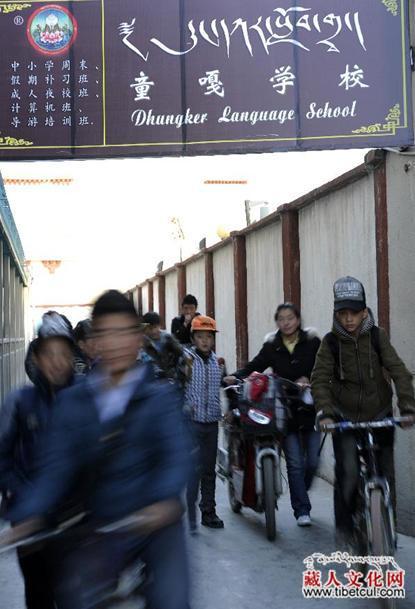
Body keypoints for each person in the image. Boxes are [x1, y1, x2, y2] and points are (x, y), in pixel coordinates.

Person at [1, 290, 191, 609]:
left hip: (155, 527)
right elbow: (55, 470)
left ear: (137, 338)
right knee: (73, 594)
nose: (115, 343)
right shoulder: (73, 403)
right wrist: (27, 515)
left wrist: (163, 500)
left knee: (170, 599)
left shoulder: (160, 397)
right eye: (105, 333)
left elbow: (176, 457)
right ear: (94, 342)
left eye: (123, 332)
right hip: (102, 528)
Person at [311, 276, 415, 546]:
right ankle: (345, 528)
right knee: (347, 472)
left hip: (380, 414)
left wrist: (407, 405)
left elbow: (399, 370)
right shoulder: (330, 343)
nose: (349, 319)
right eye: (343, 313)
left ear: (365, 312)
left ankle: (387, 527)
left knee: (385, 473)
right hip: (344, 419)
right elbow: (319, 379)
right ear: (336, 313)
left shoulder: (378, 337)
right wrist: (326, 413)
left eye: (354, 312)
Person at [0, 312, 77, 609]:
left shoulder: (85, 400)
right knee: (38, 594)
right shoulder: (20, 402)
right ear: (37, 358)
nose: (57, 361)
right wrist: (24, 498)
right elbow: (3, 459)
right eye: (49, 353)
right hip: (30, 526)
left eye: (63, 353)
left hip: (74, 525)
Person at [224, 303, 321, 526]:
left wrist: (310, 379)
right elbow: (255, 366)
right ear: (277, 322)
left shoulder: (313, 342)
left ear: (298, 320)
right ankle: (302, 509)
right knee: (294, 463)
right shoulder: (272, 346)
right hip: (284, 411)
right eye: (281, 319)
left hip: (310, 409)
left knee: (312, 462)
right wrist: (236, 376)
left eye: (290, 318)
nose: (286, 323)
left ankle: (301, 488)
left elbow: (325, 367)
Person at [185, 315, 226, 532]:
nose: (205, 341)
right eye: (200, 337)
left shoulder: (216, 362)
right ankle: (190, 513)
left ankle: (208, 512)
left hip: (211, 423)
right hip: (191, 423)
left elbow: (223, 387)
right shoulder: (186, 360)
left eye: (209, 337)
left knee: (209, 470)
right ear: (193, 338)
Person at [140, 311, 190, 386]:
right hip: (151, 382)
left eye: (155, 327)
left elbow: (182, 354)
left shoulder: (168, 338)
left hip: (170, 380)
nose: (153, 331)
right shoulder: (142, 343)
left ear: (159, 325)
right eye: (150, 328)